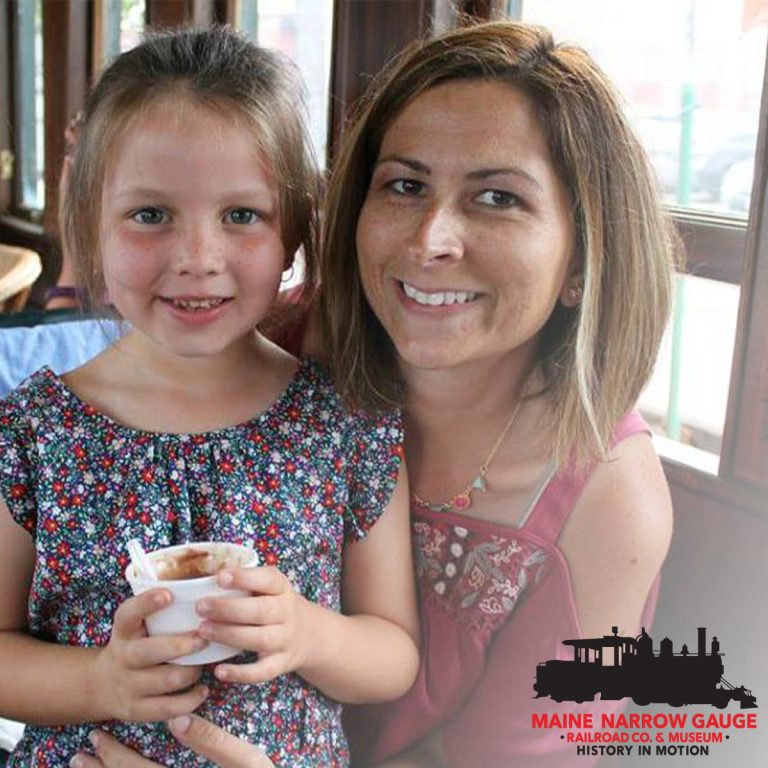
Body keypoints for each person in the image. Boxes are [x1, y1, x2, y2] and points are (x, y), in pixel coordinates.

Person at [37, 18, 679, 768]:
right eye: (404, 185)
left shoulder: (610, 498)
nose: (430, 239)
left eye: (498, 198)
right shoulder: (279, 333)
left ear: (582, 258)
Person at [0, 27, 419, 768]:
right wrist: (98, 679)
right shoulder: (32, 430)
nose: (198, 259)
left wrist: (308, 633)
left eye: (242, 215)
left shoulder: (344, 422)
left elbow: (394, 654)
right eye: (151, 214)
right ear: (92, 228)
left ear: (293, 233)